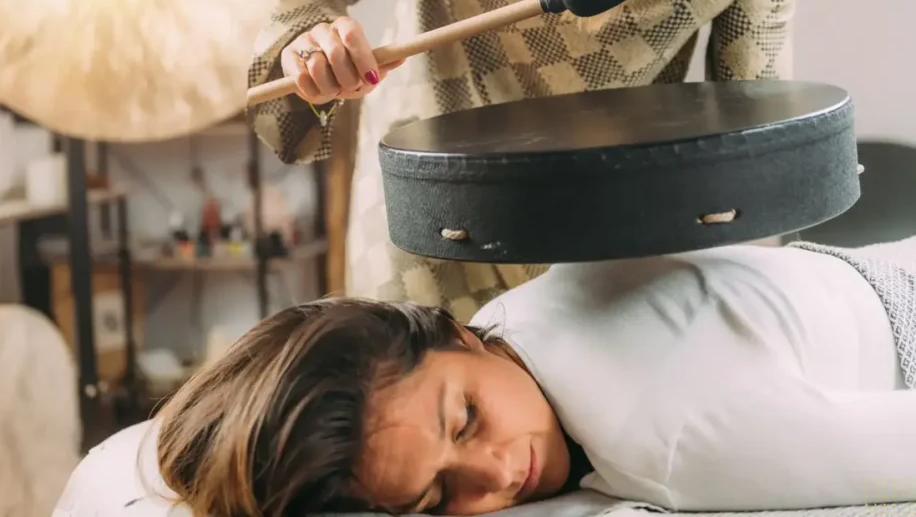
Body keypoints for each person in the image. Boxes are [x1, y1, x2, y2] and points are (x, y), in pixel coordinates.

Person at [53, 238, 916, 517]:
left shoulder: (675, 440)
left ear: (457, 331)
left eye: (464, 421)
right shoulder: (524, 323)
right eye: (436, 500)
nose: (499, 475)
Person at [245, 0, 811, 322]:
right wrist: (308, 44)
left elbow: (752, 140)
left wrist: (755, 317)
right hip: (429, 213)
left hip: (599, 231)